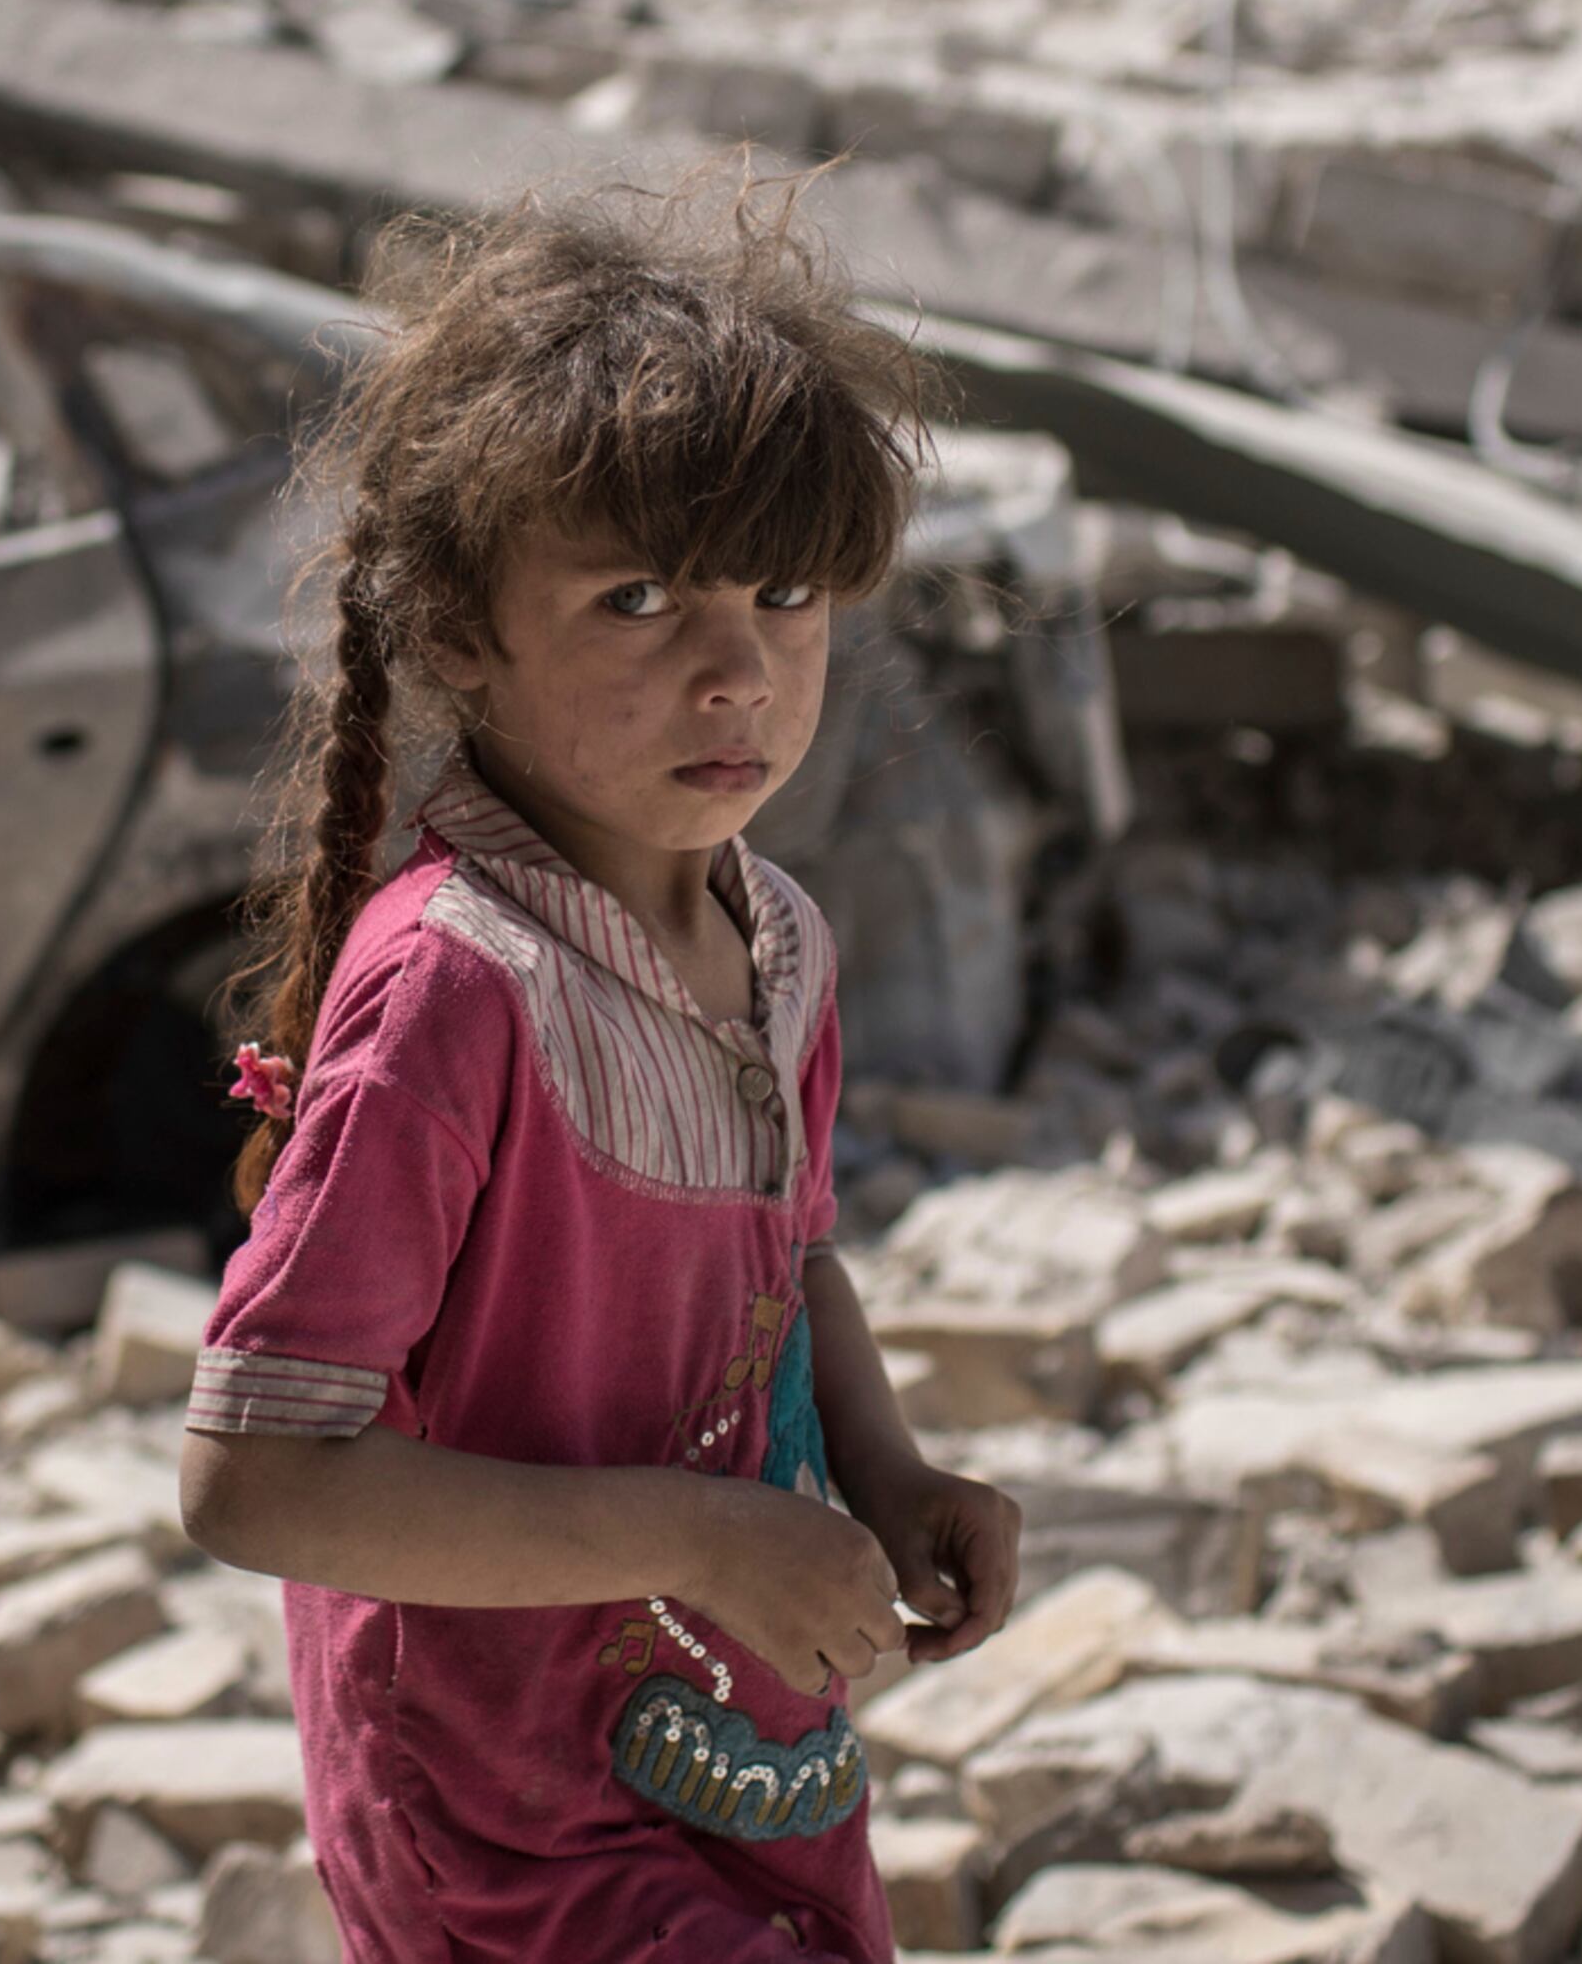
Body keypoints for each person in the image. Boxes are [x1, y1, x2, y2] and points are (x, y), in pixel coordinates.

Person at [177, 179, 1022, 1961]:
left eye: (784, 593)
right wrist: (700, 1538)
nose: (734, 673)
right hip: (500, 1811)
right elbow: (257, 1478)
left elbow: (789, 1261)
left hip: (733, 1751)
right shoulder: (452, 991)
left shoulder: (774, 937)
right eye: (637, 597)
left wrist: (885, 1471)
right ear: (466, 632)